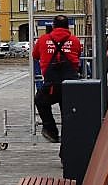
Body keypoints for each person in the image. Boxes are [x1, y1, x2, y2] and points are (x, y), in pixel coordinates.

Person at [32, 15, 82, 143]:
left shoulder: (43, 40)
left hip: (52, 86)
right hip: (71, 86)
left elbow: (35, 55)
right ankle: (68, 144)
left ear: (53, 26)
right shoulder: (75, 40)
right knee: (68, 113)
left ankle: (51, 130)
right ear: (67, 26)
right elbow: (78, 56)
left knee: (40, 100)